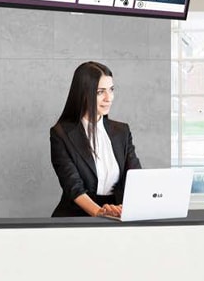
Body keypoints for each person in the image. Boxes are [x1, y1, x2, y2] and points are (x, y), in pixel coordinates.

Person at [50, 61, 142, 217]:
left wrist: (126, 209)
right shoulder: (61, 134)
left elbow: (136, 177)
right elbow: (73, 187)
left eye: (111, 90)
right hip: (77, 216)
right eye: (100, 92)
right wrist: (100, 212)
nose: (109, 98)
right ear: (83, 94)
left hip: (117, 214)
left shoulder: (122, 131)